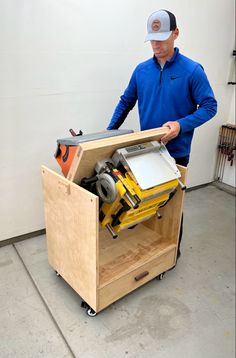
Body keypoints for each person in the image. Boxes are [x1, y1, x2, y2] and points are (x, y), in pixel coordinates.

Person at [107, 9, 217, 261]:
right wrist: (110, 132)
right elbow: (126, 102)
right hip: (145, 151)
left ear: (176, 34)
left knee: (171, 207)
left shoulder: (192, 71)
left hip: (176, 153)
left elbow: (210, 107)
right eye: (152, 39)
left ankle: (170, 255)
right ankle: (149, 248)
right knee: (145, 200)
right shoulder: (141, 70)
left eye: (162, 38)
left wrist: (180, 125)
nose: (156, 45)